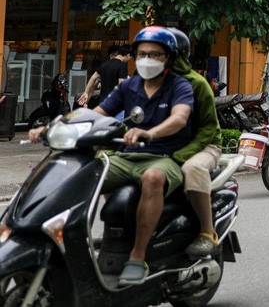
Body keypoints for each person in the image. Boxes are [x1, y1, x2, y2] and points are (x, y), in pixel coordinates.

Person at [31, 26, 195, 285]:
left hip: (164, 156)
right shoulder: (130, 86)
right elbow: (94, 113)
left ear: (168, 59)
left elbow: (179, 118)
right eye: (141, 54)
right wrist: (51, 127)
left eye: (155, 54)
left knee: (153, 178)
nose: (146, 59)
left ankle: (137, 256)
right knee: (82, 174)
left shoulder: (179, 86)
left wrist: (150, 133)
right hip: (127, 156)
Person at [166, 28, 223, 260]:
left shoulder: (197, 84)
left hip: (205, 145)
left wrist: (180, 154)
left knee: (192, 168)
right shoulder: (150, 83)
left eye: (160, 54)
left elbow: (208, 129)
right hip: (167, 146)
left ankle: (207, 232)